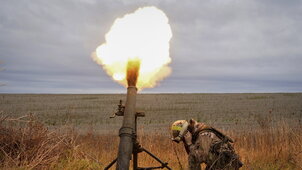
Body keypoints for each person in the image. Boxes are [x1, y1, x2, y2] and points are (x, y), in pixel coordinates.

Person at [171, 119, 243, 170]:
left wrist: (189, 144)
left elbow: (200, 157)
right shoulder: (198, 134)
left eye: (183, 138)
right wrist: (187, 144)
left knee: (192, 157)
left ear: (187, 133)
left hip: (227, 166)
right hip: (219, 165)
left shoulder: (204, 135)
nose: (184, 141)